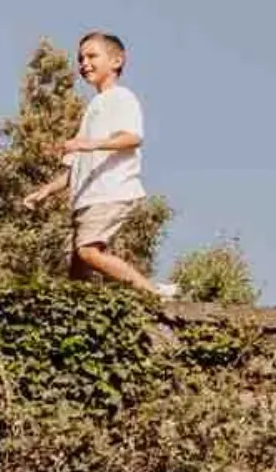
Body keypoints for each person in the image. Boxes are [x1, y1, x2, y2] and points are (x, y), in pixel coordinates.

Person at [23, 31, 178, 300]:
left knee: (88, 251)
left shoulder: (121, 97)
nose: (84, 63)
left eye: (92, 56)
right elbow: (75, 169)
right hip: (87, 199)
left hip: (110, 192)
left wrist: (89, 144)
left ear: (117, 61)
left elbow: (132, 138)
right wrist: (46, 191)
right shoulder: (94, 106)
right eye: (81, 58)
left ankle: (152, 293)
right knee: (78, 276)